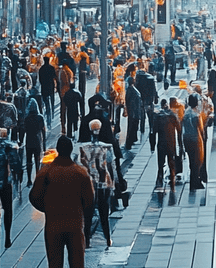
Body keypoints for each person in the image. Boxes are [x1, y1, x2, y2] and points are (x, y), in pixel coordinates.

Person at [30, 136, 94, 268]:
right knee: (77, 263)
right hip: (75, 225)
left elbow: (34, 197)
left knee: (54, 263)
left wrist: (47, 208)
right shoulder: (80, 173)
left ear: (58, 150)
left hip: (53, 225)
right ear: (71, 150)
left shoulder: (46, 172)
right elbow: (89, 201)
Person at [75, 120, 116, 248]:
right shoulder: (107, 147)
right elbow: (111, 166)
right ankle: (108, 238)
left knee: (87, 214)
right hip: (104, 183)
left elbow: (79, 167)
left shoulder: (83, 148)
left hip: (89, 183)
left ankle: (86, 241)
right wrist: (114, 185)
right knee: (104, 214)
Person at [151, 99, 182, 188]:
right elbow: (179, 130)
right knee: (171, 161)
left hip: (161, 143)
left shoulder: (158, 116)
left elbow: (153, 132)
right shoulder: (173, 115)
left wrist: (152, 146)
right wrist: (180, 144)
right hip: (171, 142)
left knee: (161, 163)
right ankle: (172, 177)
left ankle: (159, 178)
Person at [182, 94, 205, 191]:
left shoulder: (185, 114)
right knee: (198, 161)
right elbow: (201, 129)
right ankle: (195, 182)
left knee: (191, 161)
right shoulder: (197, 115)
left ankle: (193, 181)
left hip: (186, 139)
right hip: (195, 139)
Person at [21, 99, 46, 186]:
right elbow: (43, 131)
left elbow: (24, 130)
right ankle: (38, 177)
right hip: (37, 140)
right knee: (37, 160)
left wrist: (20, 141)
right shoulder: (40, 118)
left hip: (29, 141)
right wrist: (44, 145)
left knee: (29, 161)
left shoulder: (27, 118)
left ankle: (29, 180)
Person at [123, 76, 141, 150]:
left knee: (134, 127)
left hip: (135, 112)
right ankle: (128, 143)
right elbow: (130, 103)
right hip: (133, 112)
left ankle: (132, 140)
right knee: (131, 128)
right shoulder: (130, 90)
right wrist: (132, 113)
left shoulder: (132, 89)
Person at [38, 57, 57, 128]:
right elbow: (54, 76)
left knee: (46, 102)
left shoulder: (41, 69)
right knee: (52, 101)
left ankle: (48, 115)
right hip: (50, 86)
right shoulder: (51, 68)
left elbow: (40, 79)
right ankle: (52, 114)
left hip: (44, 87)